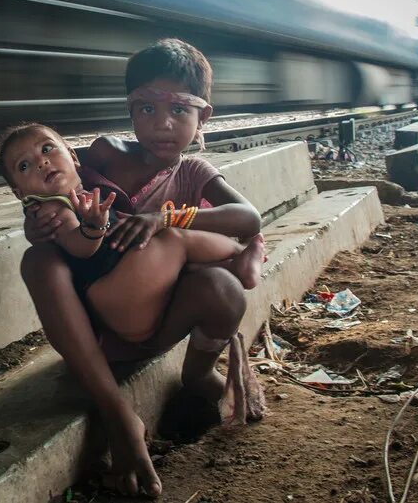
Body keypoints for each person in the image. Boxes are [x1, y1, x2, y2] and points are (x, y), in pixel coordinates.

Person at [20, 39, 266, 498]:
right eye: (146, 108)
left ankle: (196, 374)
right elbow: (50, 188)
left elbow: (248, 215)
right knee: (40, 260)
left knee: (223, 289)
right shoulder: (103, 156)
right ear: (130, 111)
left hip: (158, 318)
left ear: (203, 117)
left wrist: (166, 218)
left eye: (178, 109)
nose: (162, 124)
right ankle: (118, 416)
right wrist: (38, 223)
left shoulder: (192, 173)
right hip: (94, 325)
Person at [0, 123, 250, 344]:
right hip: (120, 298)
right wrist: (93, 227)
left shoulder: (82, 193)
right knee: (175, 238)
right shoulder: (54, 208)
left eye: (46, 149)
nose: (42, 162)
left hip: (128, 300)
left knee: (172, 249)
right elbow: (80, 247)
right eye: (24, 165)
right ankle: (240, 255)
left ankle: (230, 261)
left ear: (73, 156)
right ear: (19, 193)